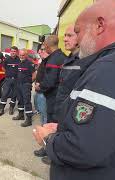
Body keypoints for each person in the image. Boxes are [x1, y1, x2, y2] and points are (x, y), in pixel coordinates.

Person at [33, 1, 115, 179]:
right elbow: (107, 128)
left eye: (78, 31)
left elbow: (85, 147)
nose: (76, 39)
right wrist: (62, 127)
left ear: (100, 25)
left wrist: (49, 139)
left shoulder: (112, 68)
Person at [36, 25, 81, 165]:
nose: (65, 39)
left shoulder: (57, 59)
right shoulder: (66, 58)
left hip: (57, 101)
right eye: (65, 36)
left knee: (53, 128)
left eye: (69, 36)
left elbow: (50, 81)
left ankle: (51, 154)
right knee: (50, 125)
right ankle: (47, 149)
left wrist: (40, 87)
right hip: (57, 102)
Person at [35, 35, 66, 122]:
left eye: (44, 47)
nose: (44, 49)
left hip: (53, 97)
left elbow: (49, 81)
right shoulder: (63, 56)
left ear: (47, 46)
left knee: (49, 120)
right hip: (61, 95)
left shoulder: (52, 59)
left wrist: (40, 86)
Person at [12, 49, 36, 127]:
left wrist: (28, 83)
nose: (21, 56)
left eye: (23, 55)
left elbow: (34, 75)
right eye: (20, 55)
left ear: (26, 55)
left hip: (26, 85)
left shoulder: (30, 63)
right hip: (18, 84)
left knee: (27, 102)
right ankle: (21, 115)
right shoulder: (18, 62)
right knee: (20, 100)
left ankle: (29, 119)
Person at [0, 46, 20, 116]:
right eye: (12, 51)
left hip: (16, 80)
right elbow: (3, 68)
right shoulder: (7, 59)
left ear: (17, 52)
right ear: (10, 52)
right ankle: (1, 109)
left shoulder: (19, 60)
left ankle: (11, 108)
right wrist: (8, 72)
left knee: (14, 95)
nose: (13, 52)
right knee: (4, 94)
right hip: (8, 79)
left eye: (14, 51)